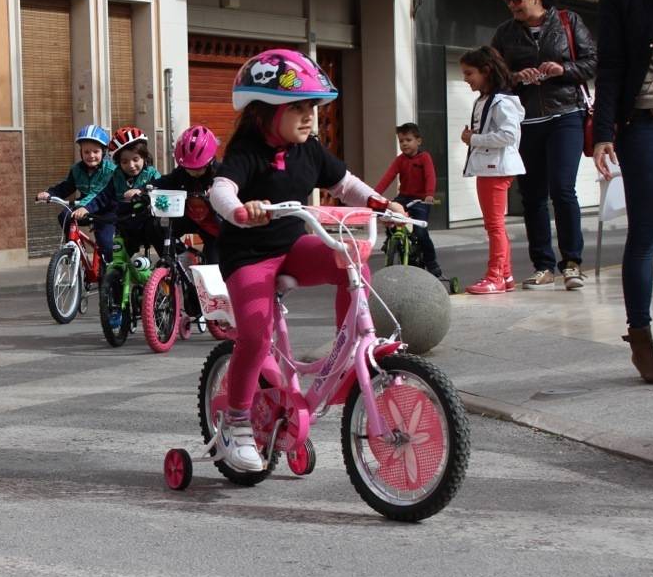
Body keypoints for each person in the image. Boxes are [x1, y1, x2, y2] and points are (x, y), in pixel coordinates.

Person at [207, 48, 404, 473]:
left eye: (313, 107)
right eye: (297, 107)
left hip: (294, 247)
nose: (309, 116)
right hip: (249, 257)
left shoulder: (309, 149)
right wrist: (240, 210)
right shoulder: (248, 149)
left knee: (350, 258)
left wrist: (379, 202)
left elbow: (345, 184)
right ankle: (237, 420)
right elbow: (220, 189)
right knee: (256, 336)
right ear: (263, 112)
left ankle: (350, 351)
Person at [491, 0, 596, 291]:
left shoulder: (568, 21)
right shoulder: (505, 33)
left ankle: (572, 263)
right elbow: (493, 74)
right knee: (533, 196)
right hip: (526, 121)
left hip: (566, 114)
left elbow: (593, 62)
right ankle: (543, 265)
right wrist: (514, 78)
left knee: (562, 189)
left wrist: (562, 69)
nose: (512, 4)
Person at [591, 0, 653, 383]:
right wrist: (602, 133)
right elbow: (609, 66)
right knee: (645, 236)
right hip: (644, 128)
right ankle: (641, 339)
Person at [458, 46, 526, 295]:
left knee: (494, 226)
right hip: (491, 168)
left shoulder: (500, 101)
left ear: (486, 71)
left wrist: (474, 139)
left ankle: (495, 275)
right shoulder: (487, 100)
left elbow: (509, 135)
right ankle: (504, 275)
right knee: (495, 225)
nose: (466, 79)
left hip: (495, 169)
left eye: (469, 73)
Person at [73, 126, 161, 257]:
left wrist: (142, 190)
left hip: (148, 224)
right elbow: (102, 196)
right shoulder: (116, 176)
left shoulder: (152, 174)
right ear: (118, 163)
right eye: (124, 162)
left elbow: (161, 187)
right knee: (114, 259)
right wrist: (86, 208)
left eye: (135, 159)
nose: (131, 165)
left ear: (144, 157)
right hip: (125, 227)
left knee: (165, 248)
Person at [35, 125, 116, 268]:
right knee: (65, 216)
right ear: (81, 152)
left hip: (105, 211)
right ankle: (72, 248)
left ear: (103, 152)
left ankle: (109, 273)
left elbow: (108, 194)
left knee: (106, 243)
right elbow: (67, 187)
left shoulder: (111, 170)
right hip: (83, 208)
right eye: (86, 152)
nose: (91, 156)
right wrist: (50, 193)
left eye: (96, 151)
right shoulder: (77, 170)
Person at [373, 122, 443, 277]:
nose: (404, 144)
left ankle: (431, 262)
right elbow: (388, 177)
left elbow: (430, 176)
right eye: (401, 141)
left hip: (421, 200)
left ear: (418, 141)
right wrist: (374, 194)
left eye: (408, 140)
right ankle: (392, 239)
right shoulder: (400, 160)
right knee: (390, 216)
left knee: (420, 232)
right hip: (403, 198)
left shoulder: (424, 158)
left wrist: (429, 194)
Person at [152, 125, 223, 263]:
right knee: (156, 226)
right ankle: (176, 261)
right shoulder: (181, 173)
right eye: (188, 168)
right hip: (189, 219)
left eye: (198, 168)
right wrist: (143, 189)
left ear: (210, 161)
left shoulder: (221, 175)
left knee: (213, 268)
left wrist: (219, 192)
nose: (192, 172)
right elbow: (164, 181)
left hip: (213, 228)